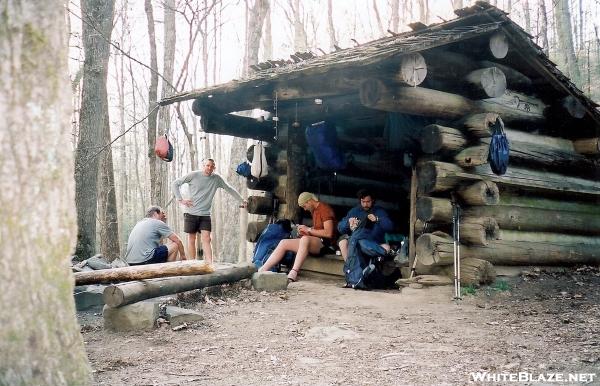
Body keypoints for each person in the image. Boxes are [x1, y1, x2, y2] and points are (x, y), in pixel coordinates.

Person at [172, 158, 247, 265]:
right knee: (192, 238)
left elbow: (229, 188)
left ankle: (209, 264)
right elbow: (175, 183)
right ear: (203, 166)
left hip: (205, 214)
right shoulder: (194, 175)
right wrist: (180, 199)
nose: (209, 168)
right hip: (191, 213)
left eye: (212, 166)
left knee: (207, 239)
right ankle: (192, 264)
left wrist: (242, 200)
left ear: (214, 168)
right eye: (207, 165)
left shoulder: (216, 179)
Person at [258, 192, 337, 282]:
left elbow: (328, 233)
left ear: (309, 201)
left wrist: (308, 230)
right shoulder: (314, 210)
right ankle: (263, 269)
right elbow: (317, 229)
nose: (305, 209)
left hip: (327, 245)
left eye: (304, 206)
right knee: (284, 243)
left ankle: (294, 272)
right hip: (315, 242)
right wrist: (306, 232)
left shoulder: (324, 209)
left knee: (305, 239)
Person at [337, 189, 393, 261]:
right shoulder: (354, 211)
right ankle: (350, 268)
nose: (365, 204)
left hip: (374, 243)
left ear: (373, 200)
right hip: (356, 243)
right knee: (343, 242)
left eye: (368, 202)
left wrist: (377, 219)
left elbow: (390, 227)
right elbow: (340, 228)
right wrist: (348, 223)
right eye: (363, 202)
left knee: (386, 247)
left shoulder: (380, 211)